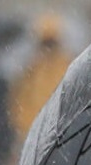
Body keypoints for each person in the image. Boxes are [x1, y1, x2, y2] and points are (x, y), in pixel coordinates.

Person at [10, 12, 73, 143]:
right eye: (46, 42)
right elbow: (20, 101)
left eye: (51, 42)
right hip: (39, 131)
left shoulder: (67, 64)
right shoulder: (32, 68)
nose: (48, 47)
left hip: (56, 130)